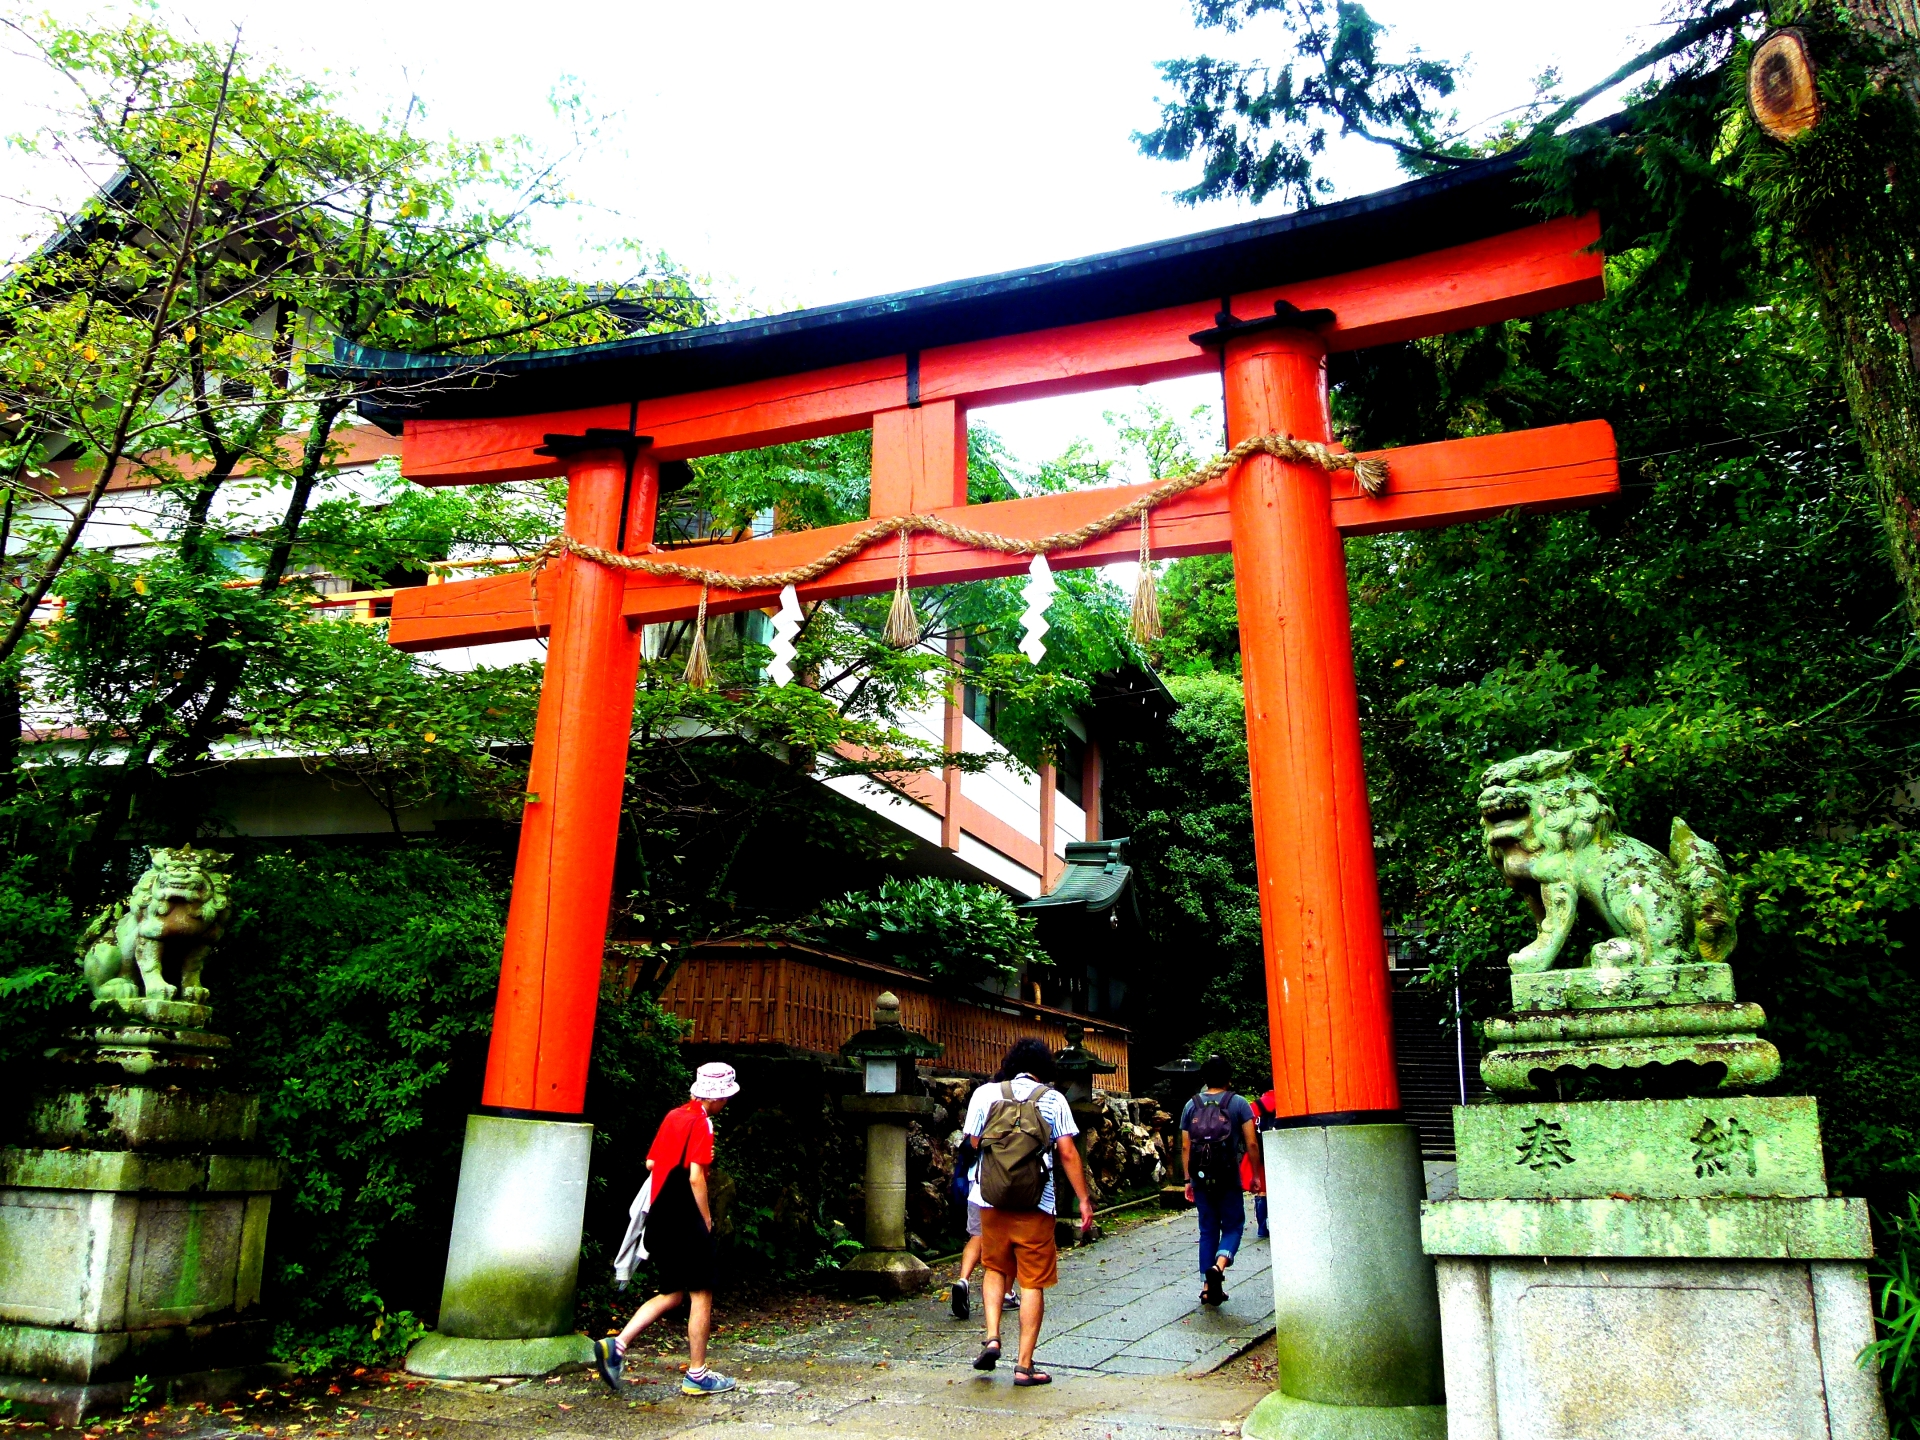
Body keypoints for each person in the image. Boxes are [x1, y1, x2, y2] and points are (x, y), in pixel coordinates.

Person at [593, 1062, 741, 1396]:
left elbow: (651, 1162)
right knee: (702, 1292)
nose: (726, 1103)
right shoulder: (702, 1123)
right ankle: (697, 1374)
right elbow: (695, 1177)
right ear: (716, 1098)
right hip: (683, 1213)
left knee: (673, 1292)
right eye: (725, 1097)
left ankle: (616, 1346)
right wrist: (706, 1220)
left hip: (659, 1212)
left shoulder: (674, 1115)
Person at [963, 1037, 1094, 1386]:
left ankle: (992, 1337)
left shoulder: (985, 1094)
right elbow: (1067, 1152)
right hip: (1037, 1203)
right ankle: (1024, 1366)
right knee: (1032, 1281)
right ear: (1043, 1067)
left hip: (991, 1199)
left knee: (994, 1268)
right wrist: (1083, 1199)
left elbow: (973, 1141)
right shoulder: (1053, 1099)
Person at [1181, 1054, 1264, 1306]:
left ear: (1204, 1078)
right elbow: (1251, 1142)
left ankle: (1207, 1288)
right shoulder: (1238, 1103)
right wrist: (1256, 1175)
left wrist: (1188, 1180)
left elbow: (1185, 1147)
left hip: (1201, 1177)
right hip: (1228, 1176)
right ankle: (1218, 1266)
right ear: (1229, 1077)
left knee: (1207, 1230)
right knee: (1233, 1226)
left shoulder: (1191, 1105)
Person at [1239, 1087, 1278, 1240]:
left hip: (1260, 1153)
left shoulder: (1254, 1106)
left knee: (1262, 1190)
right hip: (1280, 1151)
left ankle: (1262, 1227)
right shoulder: (1284, 1102)